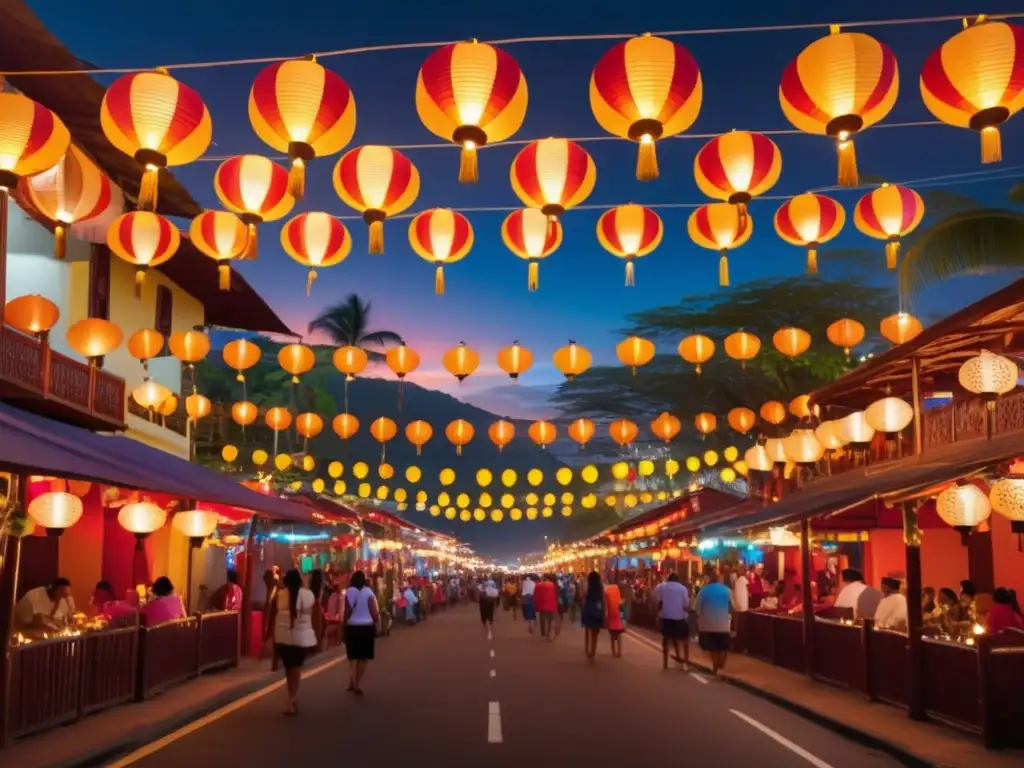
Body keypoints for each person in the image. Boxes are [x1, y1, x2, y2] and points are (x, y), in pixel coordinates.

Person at [270, 569, 316, 715]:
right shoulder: (308, 596)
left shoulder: (279, 595)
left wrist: (270, 636)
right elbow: (314, 615)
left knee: (289, 668)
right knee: (296, 668)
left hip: (282, 638)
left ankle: (291, 697)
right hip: (300, 638)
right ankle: (292, 698)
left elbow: (271, 615)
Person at [344, 570, 379, 695]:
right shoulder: (368, 592)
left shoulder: (349, 591)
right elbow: (374, 611)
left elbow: (346, 610)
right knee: (363, 658)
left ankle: (351, 680)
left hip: (352, 626)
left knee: (352, 656)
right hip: (366, 626)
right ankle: (357, 684)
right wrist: (377, 623)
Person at [693, 572, 732, 676]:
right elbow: (734, 607)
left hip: (707, 626)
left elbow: (697, 609)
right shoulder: (727, 590)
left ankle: (715, 668)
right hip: (723, 625)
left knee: (713, 649)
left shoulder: (703, 590)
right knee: (723, 648)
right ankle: (721, 668)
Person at [654, 573, 690, 671]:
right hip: (679, 620)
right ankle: (686, 662)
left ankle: (665, 663)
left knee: (666, 639)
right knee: (685, 640)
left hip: (666, 619)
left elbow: (657, 599)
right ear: (678, 580)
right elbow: (686, 604)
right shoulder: (683, 589)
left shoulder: (661, 587)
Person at [580, 571, 605, 662]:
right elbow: (603, 599)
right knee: (595, 634)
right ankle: (593, 652)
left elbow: (582, 596)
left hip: (588, 609)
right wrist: (604, 611)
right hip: (597, 610)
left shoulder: (588, 587)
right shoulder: (600, 587)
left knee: (587, 631)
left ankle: (587, 650)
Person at [533, 574, 558, 640]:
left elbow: (535, 595)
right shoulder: (553, 585)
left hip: (542, 604)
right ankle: (548, 633)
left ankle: (543, 632)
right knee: (550, 619)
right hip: (551, 604)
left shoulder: (538, 585)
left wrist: (536, 605)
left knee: (542, 618)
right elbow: (556, 595)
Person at [605, 581, 625, 658]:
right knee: (619, 634)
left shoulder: (607, 591)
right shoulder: (618, 590)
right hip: (618, 615)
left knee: (612, 635)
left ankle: (613, 652)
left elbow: (606, 604)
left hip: (611, 615)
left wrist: (606, 613)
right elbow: (621, 602)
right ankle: (619, 652)